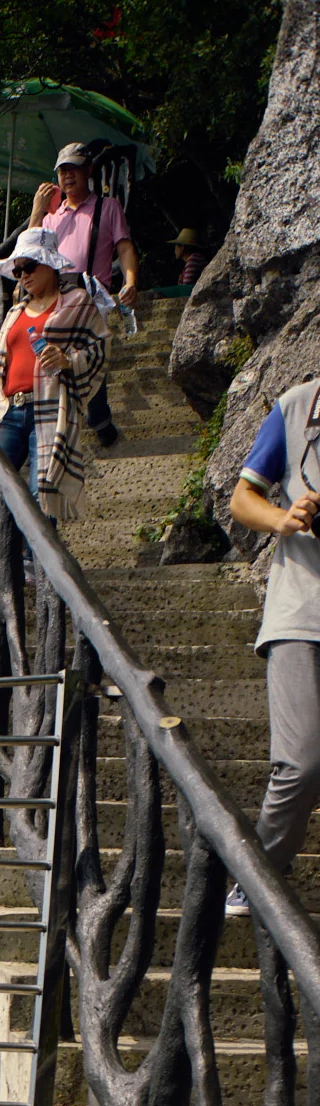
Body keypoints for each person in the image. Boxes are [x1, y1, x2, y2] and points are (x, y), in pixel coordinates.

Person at [223, 383, 320, 912]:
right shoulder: (295, 406)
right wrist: (283, 518)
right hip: (301, 610)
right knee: (301, 762)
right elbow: (243, 498)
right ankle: (259, 875)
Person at [0, 227, 107, 524]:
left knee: (42, 492)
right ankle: (17, 565)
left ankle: (36, 568)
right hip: (10, 409)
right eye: (18, 270)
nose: (23, 275)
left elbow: (99, 351)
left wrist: (67, 360)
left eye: (29, 266)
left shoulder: (77, 303)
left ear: (51, 264)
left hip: (47, 407)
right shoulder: (14, 313)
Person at [29, 142, 138, 449]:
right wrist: (38, 210)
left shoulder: (107, 207)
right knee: (54, 357)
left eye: (73, 169)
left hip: (91, 292)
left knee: (91, 355)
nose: (68, 177)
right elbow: (29, 250)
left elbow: (124, 247)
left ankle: (99, 417)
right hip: (56, 295)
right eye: (62, 171)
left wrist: (129, 281)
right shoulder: (51, 216)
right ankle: (68, 423)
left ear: (88, 171)